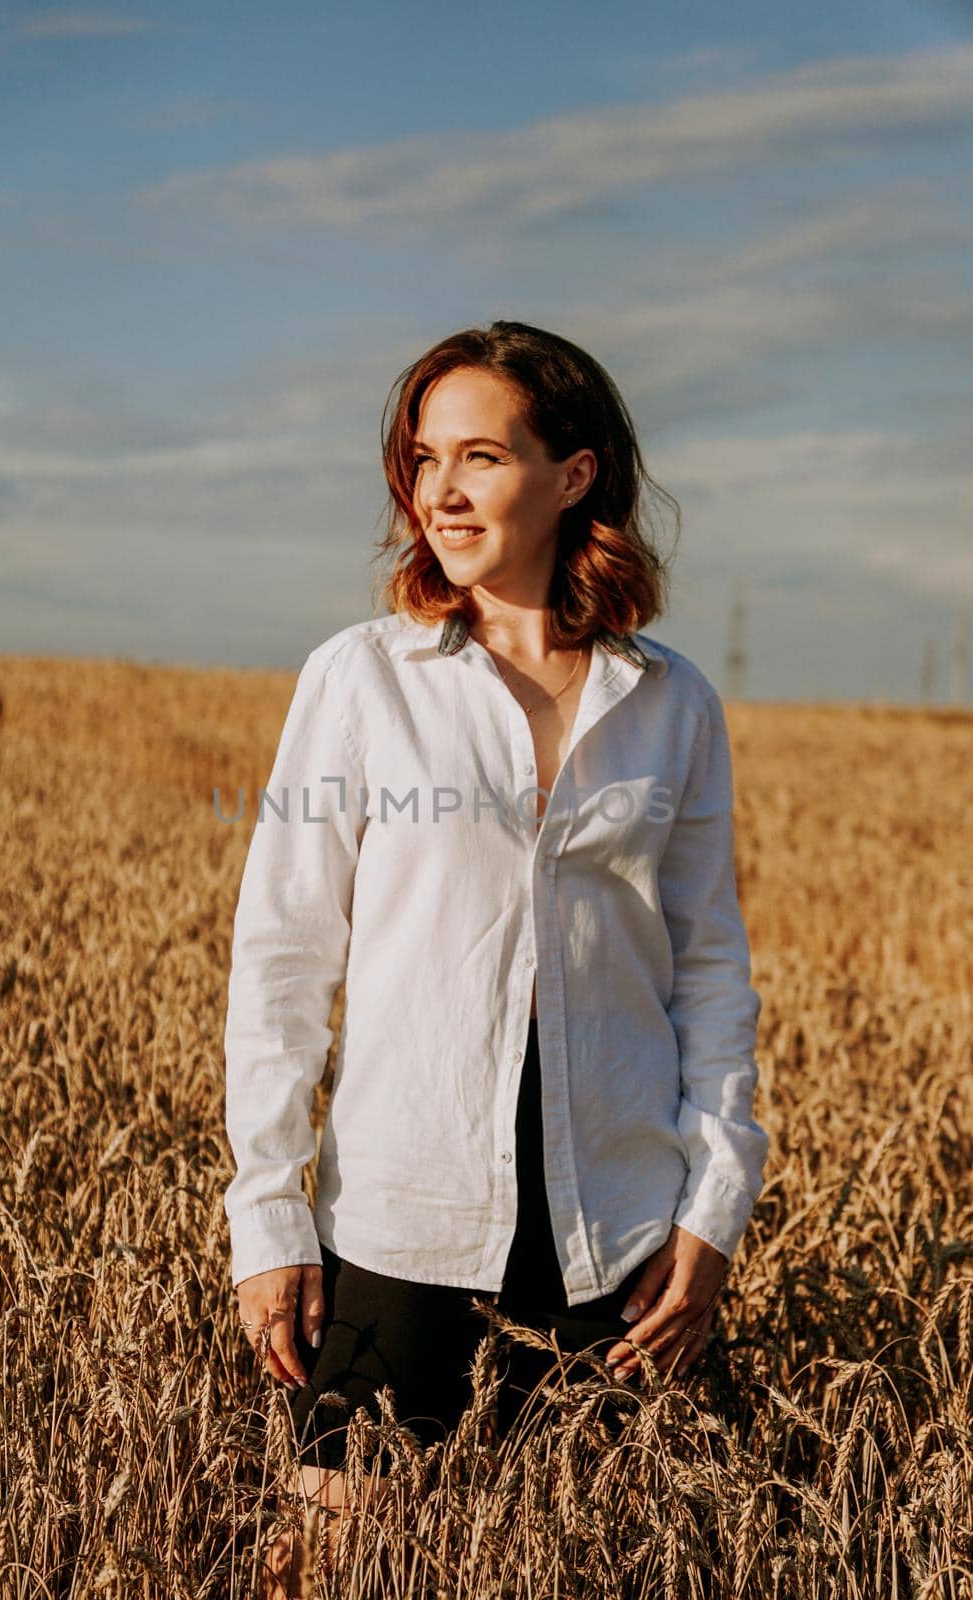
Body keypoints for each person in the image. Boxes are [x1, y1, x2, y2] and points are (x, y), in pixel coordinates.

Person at [223, 320, 770, 1589]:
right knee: (330, 1564)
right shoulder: (361, 680)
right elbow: (282, 957)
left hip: (622, 1234)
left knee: (609, 1564)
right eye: (424, 460)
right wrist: (268, 1215)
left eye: (480, 455)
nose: (443, 492)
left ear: (572, 475)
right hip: (402, 1218)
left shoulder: (671, 699)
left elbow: (707, 967)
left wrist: (714, 1208)